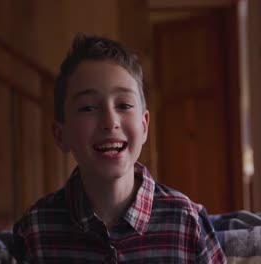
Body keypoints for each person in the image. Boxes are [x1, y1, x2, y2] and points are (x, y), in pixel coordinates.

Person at [12, 33, 226, 263]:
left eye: (124, 105)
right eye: (87, 108)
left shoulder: (187, 222)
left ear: (144, 127)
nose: (109, 121)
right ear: (60, 135)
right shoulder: (35, 230)